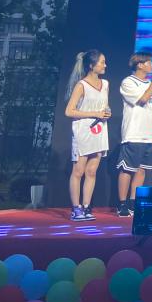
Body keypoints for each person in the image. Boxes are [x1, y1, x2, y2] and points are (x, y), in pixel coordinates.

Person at [63, 50, 111, 221]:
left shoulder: (105, 84)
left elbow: (104, 105)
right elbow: (69, 111)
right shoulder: (81, 85)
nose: (105, 65)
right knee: (78, 171)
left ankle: (86, 206)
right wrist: (94, 113)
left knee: (91, 171)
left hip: (99, 131)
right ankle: (76, 209)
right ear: (91, 65)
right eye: (102, 62)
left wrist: (105, 113)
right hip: (83, 131)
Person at [116, 52, 152, 217]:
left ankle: (133, 202)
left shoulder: (150, 84)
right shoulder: (128, 82)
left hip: (149, 134)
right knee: (127, 169)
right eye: (149, 62)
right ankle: (122, 204)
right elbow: (142, 100)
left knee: (142, 170)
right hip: (133, 133)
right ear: (140, 65)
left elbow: (151, 106)